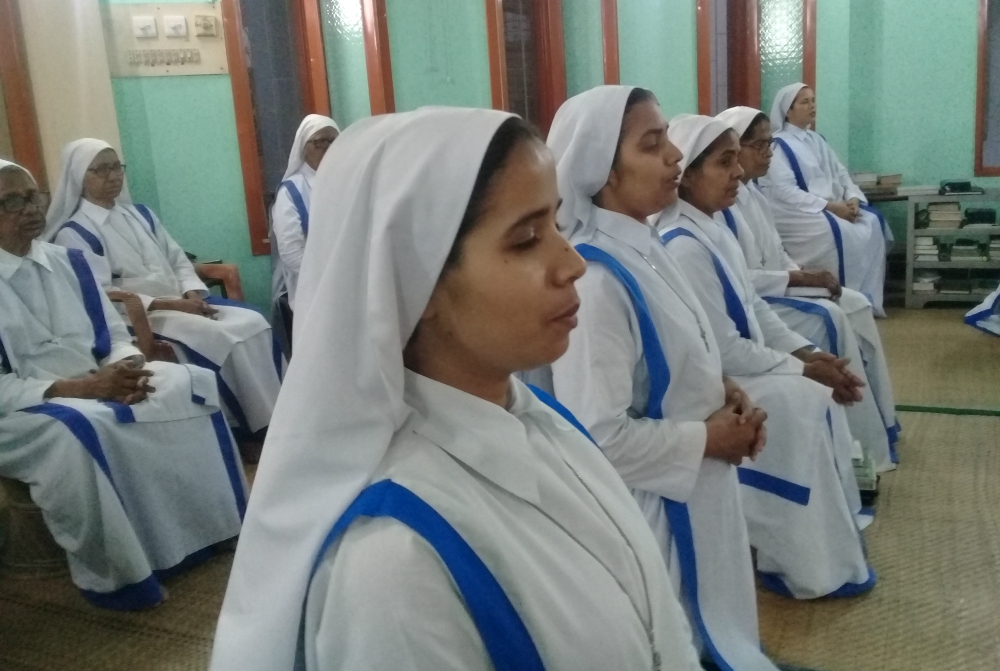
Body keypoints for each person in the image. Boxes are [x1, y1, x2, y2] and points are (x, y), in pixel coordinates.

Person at [210, 108, 704, 671]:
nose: (572, 264)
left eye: (558, 226)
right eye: (526, 240)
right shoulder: (395, 566)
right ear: (418, 284)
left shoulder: (541, 417)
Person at [542, 85, 778, 671]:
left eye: (668, 139)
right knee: (680, 643)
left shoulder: (647, 244)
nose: (674, 156)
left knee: (723, 627)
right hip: (656, 513)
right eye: (653, 145)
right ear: (603, 169)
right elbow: (598, 436)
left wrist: (722, 389)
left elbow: (679, 350)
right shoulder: (594, 280)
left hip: (698, 485)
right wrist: (708, 438)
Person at [0, 159, 246, 610]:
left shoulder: (66, 262)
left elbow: (110, 335)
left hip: (100, 380)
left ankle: (217, 529)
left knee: (189, 382)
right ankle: (123, 575)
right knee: (82, 429)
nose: (30, 209)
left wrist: (128, 367)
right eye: (11, 202)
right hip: (25, 407)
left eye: (33, 196)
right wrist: (88, 388)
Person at [657, 115, 876, 600]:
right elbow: (724, 348)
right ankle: (797, 552)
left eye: (739, 158)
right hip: (718, 380)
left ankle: (829, 534)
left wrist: (809, 354)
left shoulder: (712, 229)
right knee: (802, 398)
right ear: (687, 175)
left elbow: (755, 310)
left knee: (817, 385)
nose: (738, 172)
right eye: (724, 161)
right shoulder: (684, 245)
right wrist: (803, 369)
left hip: (741, 364)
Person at [45, 139, 280, 456]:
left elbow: (178, 258)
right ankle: (245, 433)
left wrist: (192, 292)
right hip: (139, 316)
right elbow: (99, 295)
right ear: (78, 177)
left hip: (181, 302)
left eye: (116, 167)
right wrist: (173, 304)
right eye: (100, 170)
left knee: (254, 322)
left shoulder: (140, 214)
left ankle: (279, 419)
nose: (112, 176)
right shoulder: (74, 232)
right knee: (220, 336)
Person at [716, 105, 900, 471]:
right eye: (759, 146)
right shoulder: (720, 208)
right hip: (762, 299)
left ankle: (875, 426)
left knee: (857, 304)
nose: (767, 153)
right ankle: (850, 445)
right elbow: (741, 280)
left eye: (770, 144)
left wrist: (797, 269)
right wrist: (797, 278)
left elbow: (776, 250)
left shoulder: (752, 194)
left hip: (773, 289)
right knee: (830, 319)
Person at [758, 83, 889, 316]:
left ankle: (868, 299)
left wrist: (853, 199)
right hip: (801, 210)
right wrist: (831, 207)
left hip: (834, 205)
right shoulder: (778, 145)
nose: (812, 106)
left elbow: (840, 173)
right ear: (788, 110)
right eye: (805, 102)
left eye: (813, 100)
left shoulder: (817, 140)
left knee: (872, 223)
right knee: (835, 231)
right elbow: (785, 191)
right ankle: (842, 296)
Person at [270, 114, 340, 354]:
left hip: (350, 284)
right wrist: (328, 277)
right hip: (313, 291)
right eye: (320, 142)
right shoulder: (291, 191)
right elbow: (290, 252)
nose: (327, 148)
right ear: (304, 147)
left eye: (333, 141)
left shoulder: (348, 182)